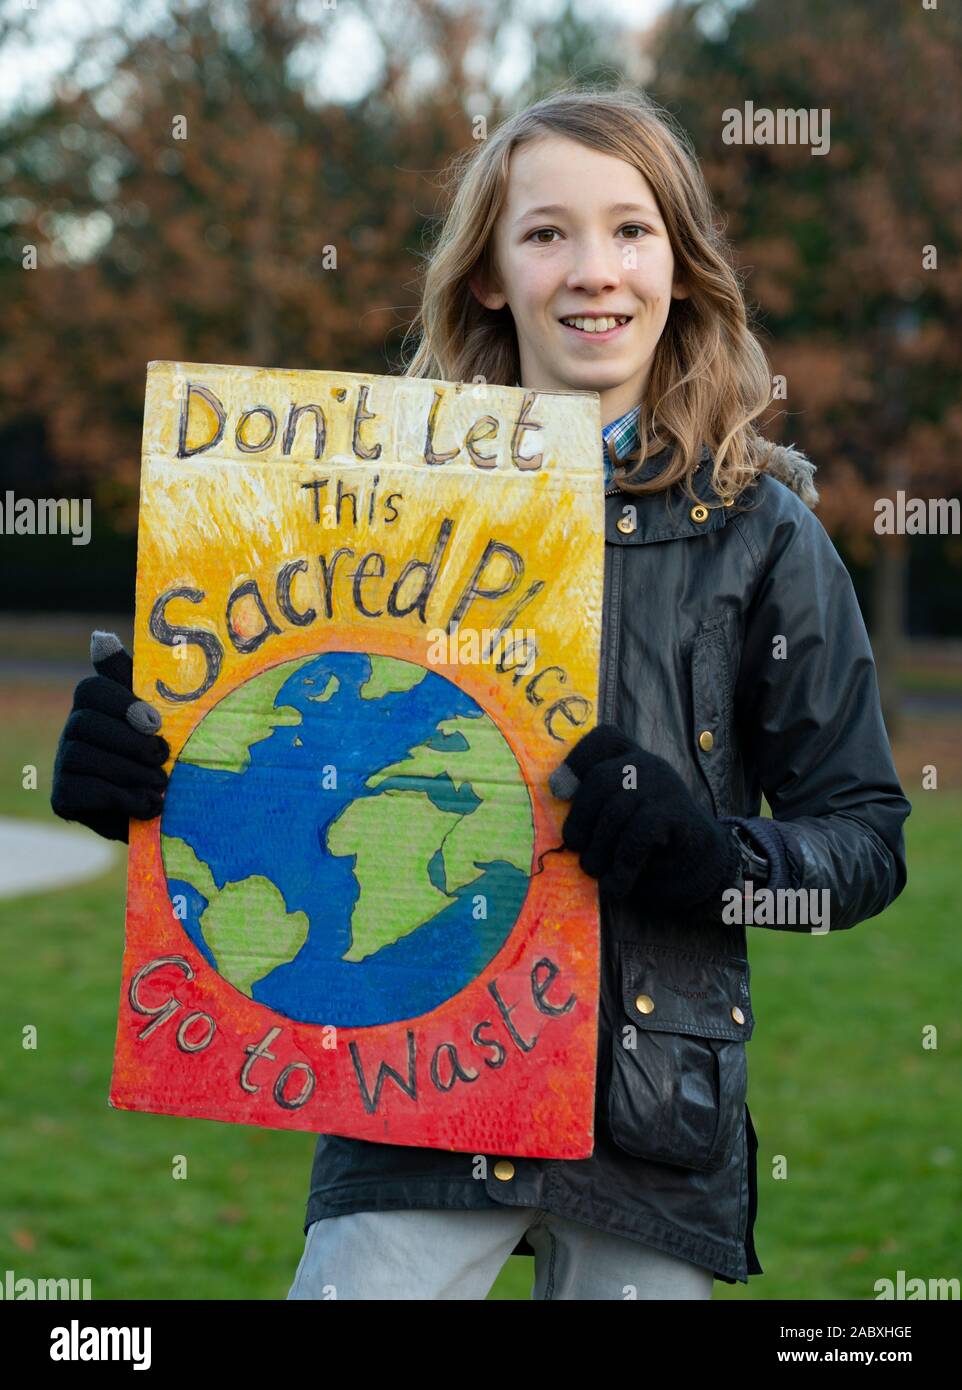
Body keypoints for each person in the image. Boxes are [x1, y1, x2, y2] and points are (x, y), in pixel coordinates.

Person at [51, 85, 911, 1301]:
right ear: (490, 275)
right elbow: (288, 765)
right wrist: (148, 783)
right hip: (406, 1092)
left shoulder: (764, 536)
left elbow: (865, 850)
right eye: (546, 231)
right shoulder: (353, 496)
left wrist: (706, 858)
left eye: (629, 229)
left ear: (679, 262)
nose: (592, 269)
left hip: (650, 1122)